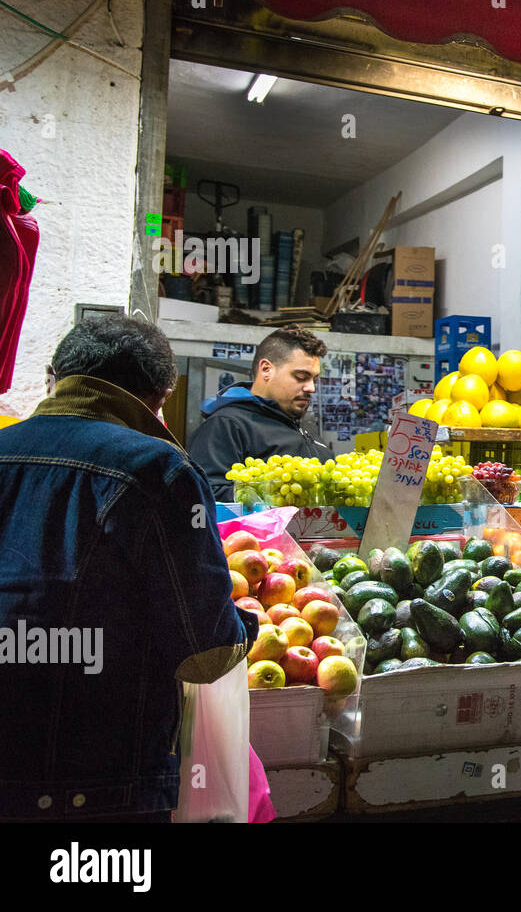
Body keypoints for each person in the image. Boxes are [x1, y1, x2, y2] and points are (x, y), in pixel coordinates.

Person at [0, 315, 257, 821]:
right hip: (100, 790)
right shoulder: (158, 470)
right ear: (160, 398)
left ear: (54, 377)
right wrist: (245, 621)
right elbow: (207, 655)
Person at [190, 325, 333, 501]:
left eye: (314, 379)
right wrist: (275, 494)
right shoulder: (226, 425)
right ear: (266, 370)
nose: (311, 388)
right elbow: (205, 497)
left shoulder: (304, 427)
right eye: (301, 377)